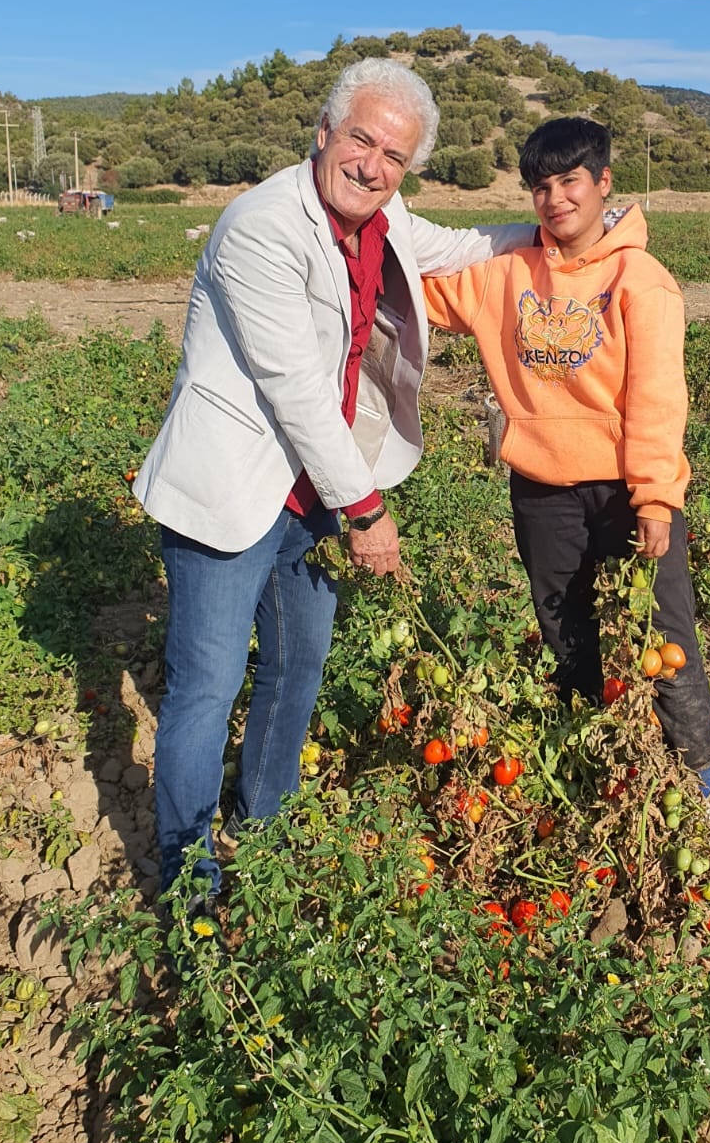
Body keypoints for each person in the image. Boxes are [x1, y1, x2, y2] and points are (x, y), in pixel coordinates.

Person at [133, 58, 535, 898]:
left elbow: (462, 246)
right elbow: (296, 389)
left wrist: (559, 225)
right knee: (206, 689)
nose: (373, 166)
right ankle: (187, 883)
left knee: (298, 663)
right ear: (323, 134)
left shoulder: (382, 219)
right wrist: (366, 508)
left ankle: (267, 828)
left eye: (394, 157)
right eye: (362, 140)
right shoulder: (263, 226)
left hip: (306, 496)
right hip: (233, 492)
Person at [423, 116, 710, 797]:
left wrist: (654, 497)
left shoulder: (641, 279)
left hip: (622, 489)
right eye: (541, 187)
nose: (556, 199)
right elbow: (422, 290)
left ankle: (700, 776)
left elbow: (656, 397)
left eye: (570, 181)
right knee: (565, 630)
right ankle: (595, 769)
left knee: (665, 634)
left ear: (603, 183)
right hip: (542, 489)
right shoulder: (506, 273)